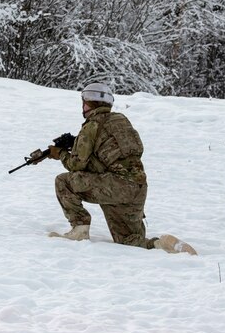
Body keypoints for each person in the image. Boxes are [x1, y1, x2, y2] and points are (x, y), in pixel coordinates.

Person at [47, 83, 197, 255]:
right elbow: (111, 151)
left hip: (114, 186)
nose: (83, 106)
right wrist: (77, 142)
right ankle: (161, 245)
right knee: (128, 241)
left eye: (84, 102)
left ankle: (79, 229)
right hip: (137, 187)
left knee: (63, 181)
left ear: (90, 103)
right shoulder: (120, 121)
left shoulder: (92, 125)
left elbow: (77, 164)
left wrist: (60, 154)